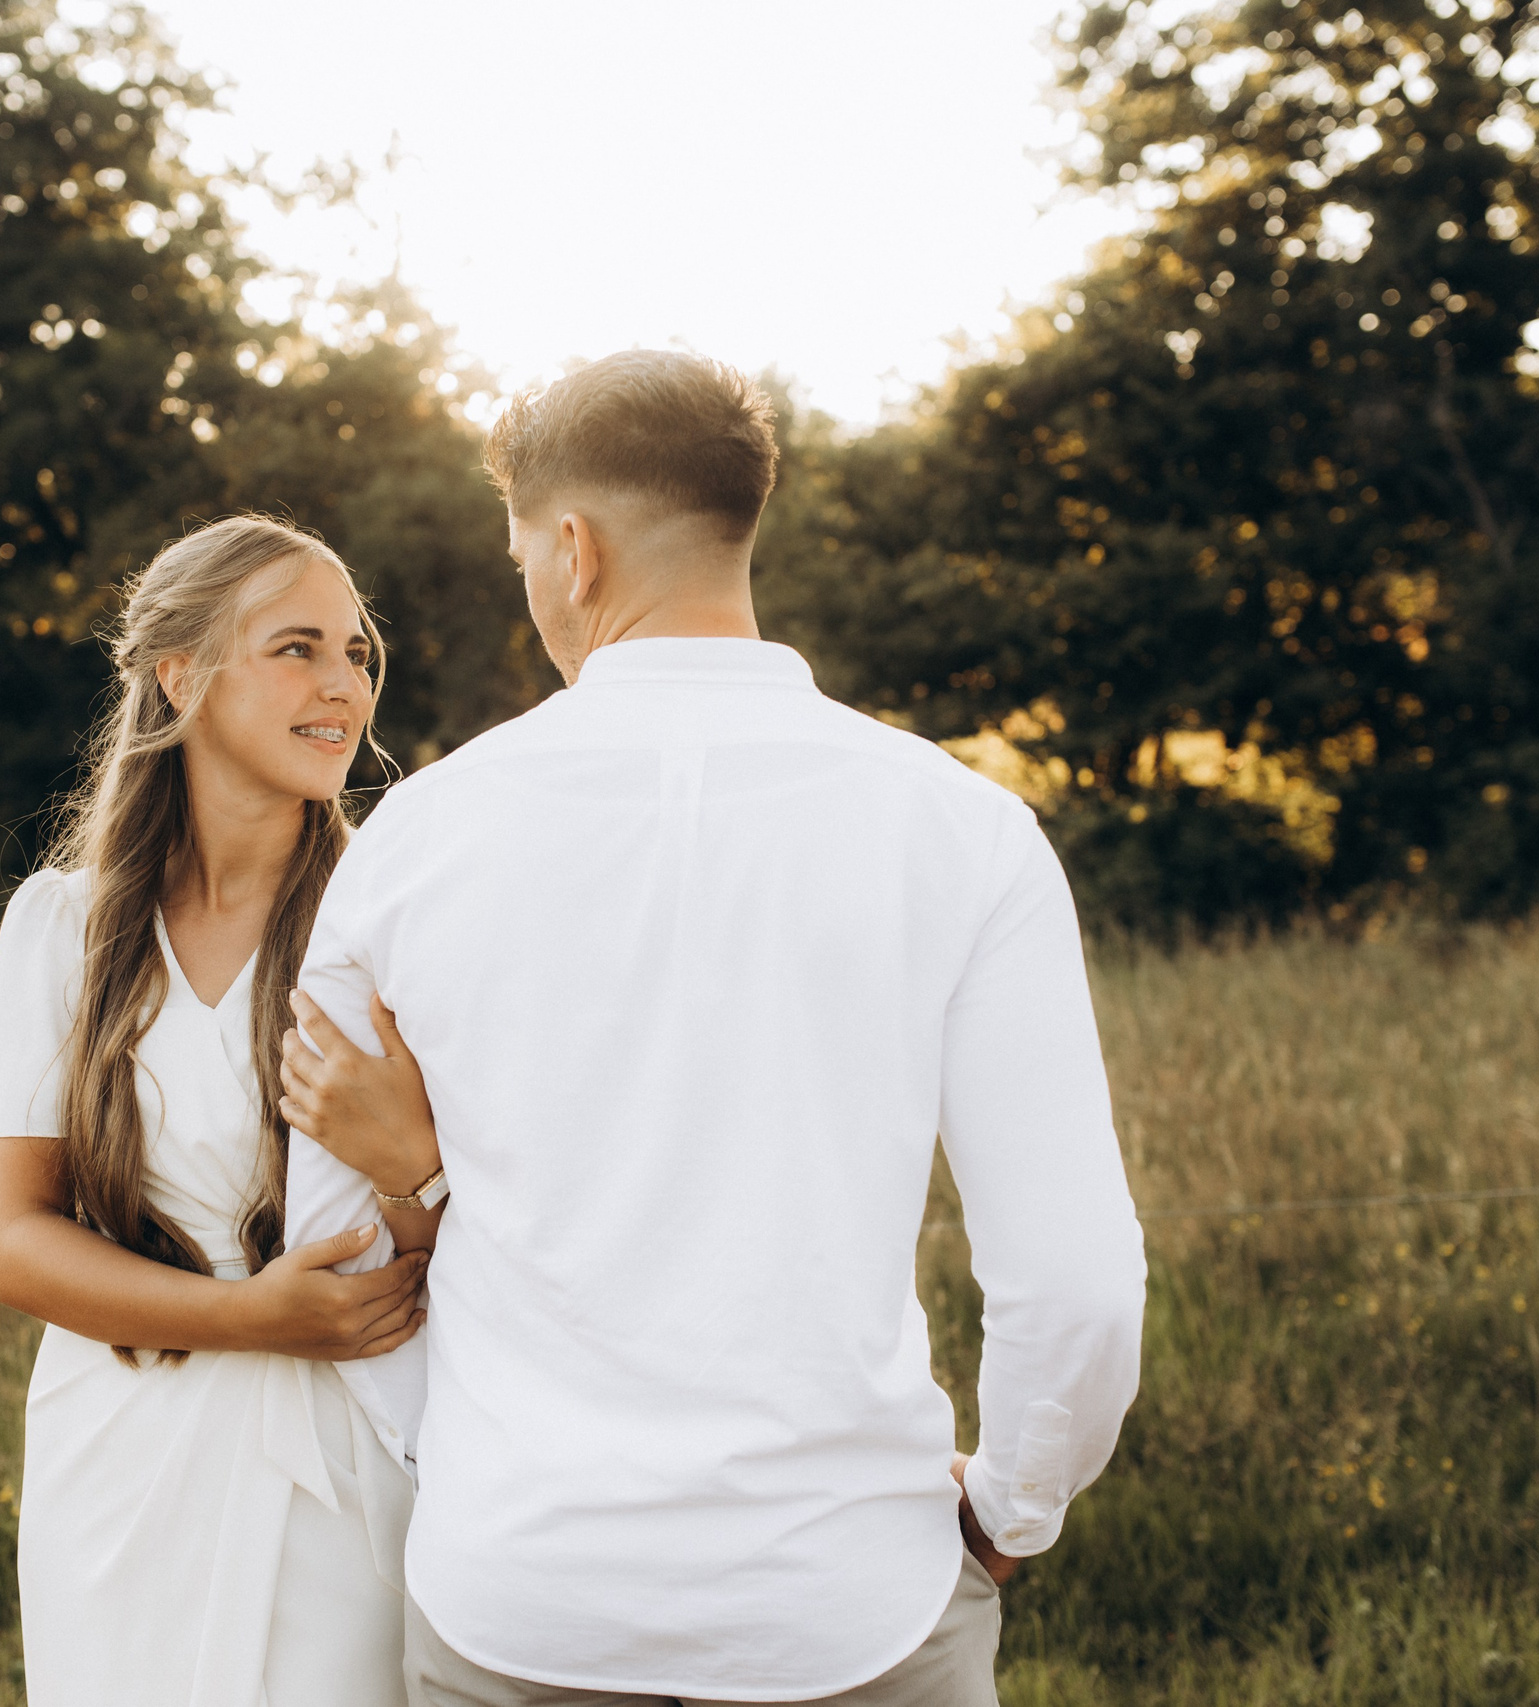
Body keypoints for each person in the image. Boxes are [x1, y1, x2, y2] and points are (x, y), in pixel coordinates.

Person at [277, 351, 1149, 1706]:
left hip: (518, 1589)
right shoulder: (962, 829)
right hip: (849, 1595)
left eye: (521, 557)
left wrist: (456, 1472)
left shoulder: (414, 843)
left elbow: (335, 1254)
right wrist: (1010, 1512)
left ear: (572, 549)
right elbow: (1077, 1279)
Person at [0, 515, 433, 1707]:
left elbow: (465, 1235)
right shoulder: (60, 930)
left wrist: (406, 1170)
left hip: (349, 1451)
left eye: (357, 653)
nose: (344, 686)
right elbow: (14, 1241)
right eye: (297, 649)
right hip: (119, 1462)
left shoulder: (399, 922)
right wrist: (252, 1318)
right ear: (180, 677)